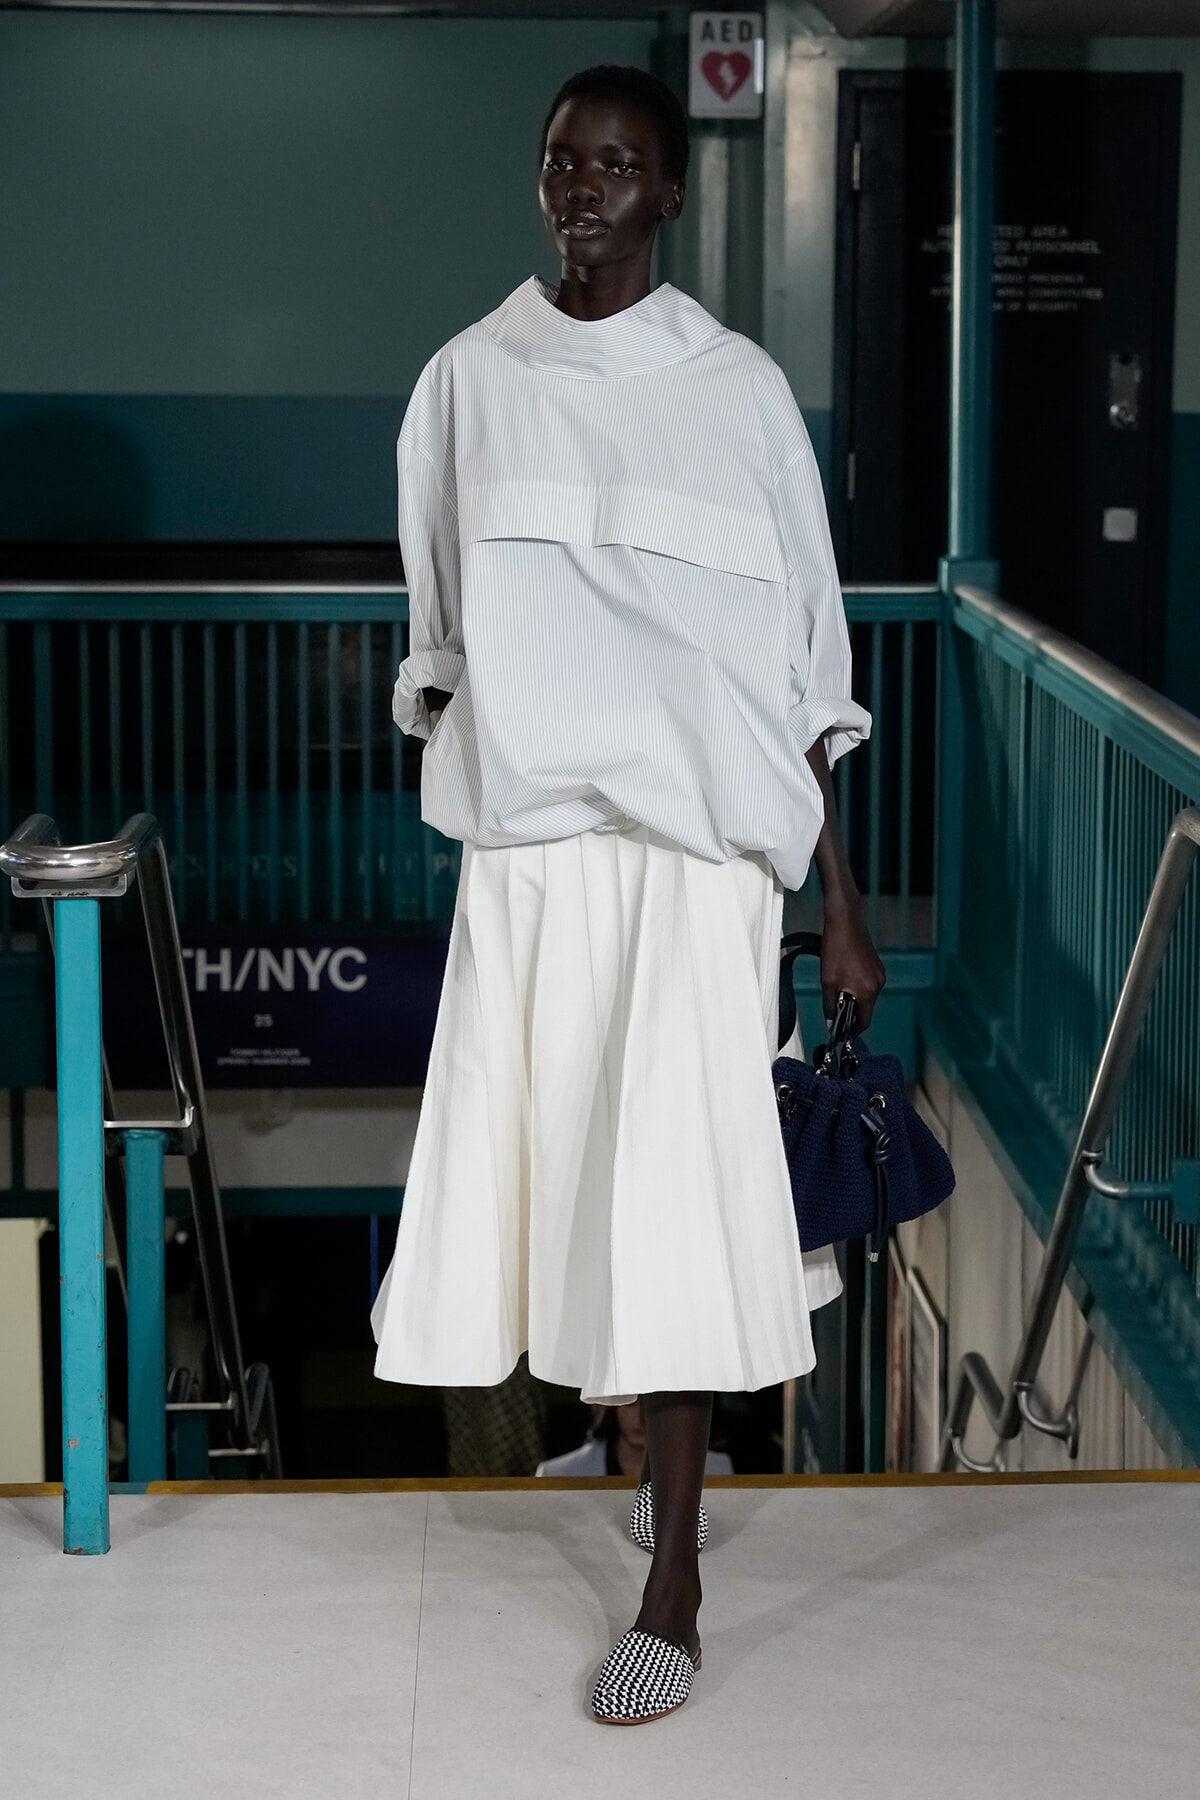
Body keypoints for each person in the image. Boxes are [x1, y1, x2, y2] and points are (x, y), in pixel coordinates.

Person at [371, 63, 885, 1725]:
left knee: (667, 1191)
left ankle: (674, 1576)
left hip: (697, 869)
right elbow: (440, 650)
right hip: (535, 864)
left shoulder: (736, 396)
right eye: (560, 163)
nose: (583, 187)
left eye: (617, 164)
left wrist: (840, 900)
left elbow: (801, 664)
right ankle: (625, 1454)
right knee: (568, 1181)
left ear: (671, 191)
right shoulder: (464, 386)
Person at [535, 1399, 733, 1479]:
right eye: (630, 1403)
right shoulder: (559, 1475)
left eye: (652, 1405)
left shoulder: (715, 1469)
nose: (640, 1417)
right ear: (612, 1406)